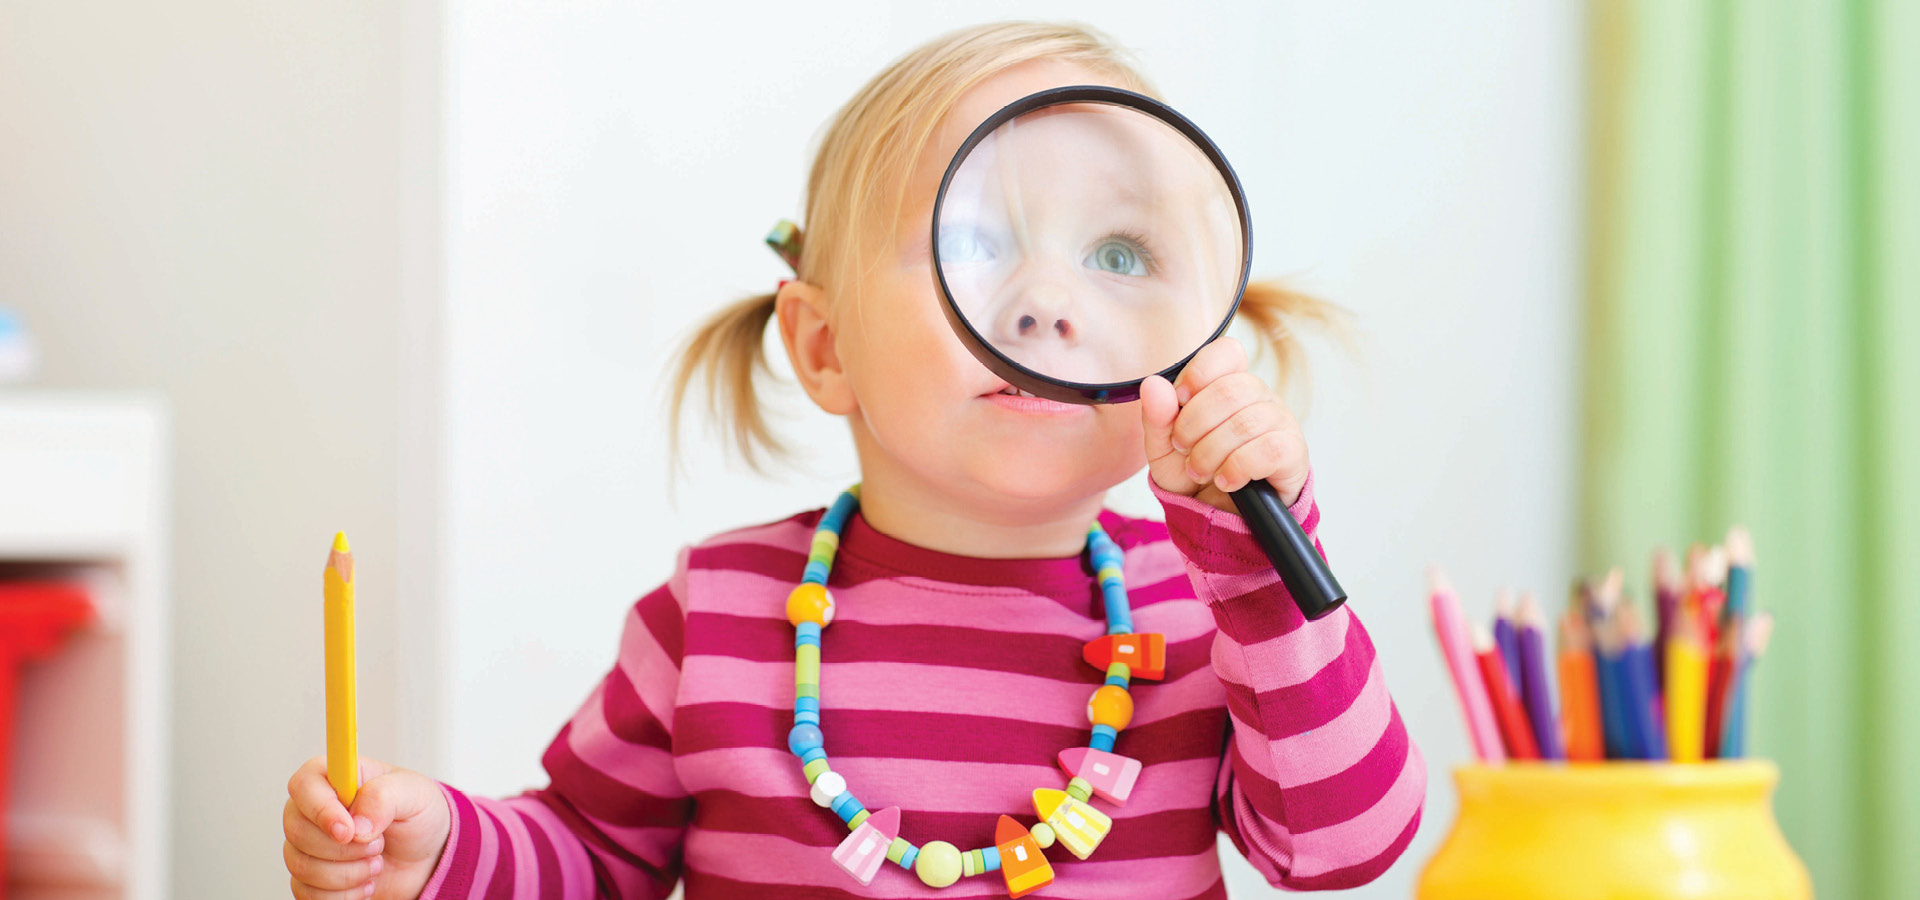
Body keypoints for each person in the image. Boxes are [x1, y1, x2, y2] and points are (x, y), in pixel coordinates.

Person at [282, 21, 1423, 900]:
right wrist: (436, 846)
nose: (1047, 301)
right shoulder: (717, 610)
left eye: (1118, 252)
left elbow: (1346, 848)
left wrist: (1263, 570)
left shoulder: (1208, 620)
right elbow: (588, 853)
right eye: (972, 244)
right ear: (824, 347)